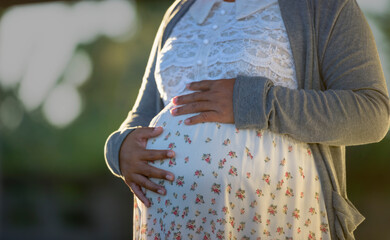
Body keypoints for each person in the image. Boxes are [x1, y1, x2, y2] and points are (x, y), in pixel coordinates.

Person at [104, 0, 390, 239]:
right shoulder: (179, 12)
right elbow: (141, 115)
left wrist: (254, 102)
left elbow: (372, 113)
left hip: (273, 218)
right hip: (171, 224)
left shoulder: (323, 5)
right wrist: (119, 148)